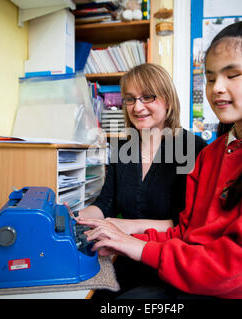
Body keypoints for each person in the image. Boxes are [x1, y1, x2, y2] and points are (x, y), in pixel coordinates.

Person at [78, 21, 242, 299]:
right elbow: (189, 233)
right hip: (198, 277)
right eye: (210, 78)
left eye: (232, 75)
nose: (217, 88)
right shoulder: (214, 153)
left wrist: (135, 243)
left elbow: (233, 270)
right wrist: (124, 240)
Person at [78, 63, 208, 297]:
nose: (137, 107)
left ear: (167, 100)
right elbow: (106, 202)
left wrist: (124, 226)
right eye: (130, 99)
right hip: (124, 256)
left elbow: (185, 224)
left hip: (168, 264)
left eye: (147, 97)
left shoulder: (192, 148)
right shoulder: (122, 147)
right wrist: (78, 218)